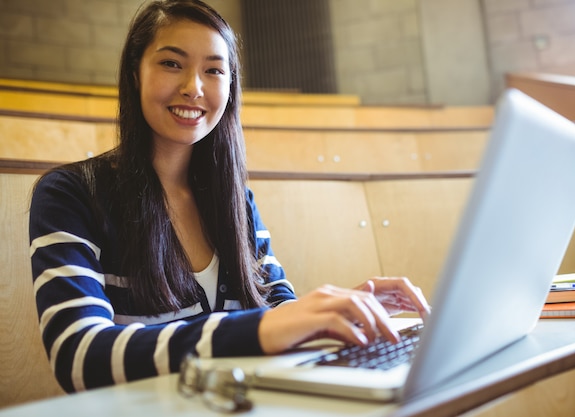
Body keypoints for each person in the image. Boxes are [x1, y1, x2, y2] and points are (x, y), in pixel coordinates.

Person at [29, 0, 430, 393]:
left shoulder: (235, 200)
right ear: (135, 73)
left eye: (214, 70)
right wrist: (258, 329)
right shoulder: (72, 194)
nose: (193, 88)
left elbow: (277, 312)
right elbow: (78, 356)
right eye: (171, 63)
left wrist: (339, 312)